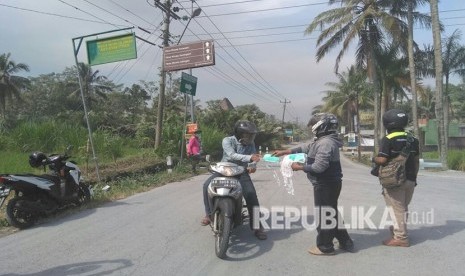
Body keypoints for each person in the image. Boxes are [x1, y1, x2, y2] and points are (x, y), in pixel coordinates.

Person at [273, 113, 354, 255]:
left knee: (324, 215)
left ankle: (325, 247)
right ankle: (345, 241)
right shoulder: (324, 140)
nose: (312, 129)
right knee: (331, 213)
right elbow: (307, 146)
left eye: (313, 127)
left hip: (325, 184)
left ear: (321, 127)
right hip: (330, 183)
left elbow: (318, 167)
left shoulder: (325, 143)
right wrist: (286, 151)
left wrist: (299, 167)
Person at [200, 120, 267, 240]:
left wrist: (253, 167)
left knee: (251, 194)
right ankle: (209, 214)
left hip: (241, 171)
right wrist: (250, 157)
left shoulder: (251, 144)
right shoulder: (227, 140)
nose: (250, 137)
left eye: (252, 135)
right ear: (239, 134)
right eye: (247, 134)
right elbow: (231, 155)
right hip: (224, 170)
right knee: (206, 186)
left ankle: (257, 226)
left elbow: (253, 160)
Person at [372, 109, 420, 247]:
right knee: (403, 207)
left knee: (396, 208)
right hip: (410, 179)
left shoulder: (388, 139)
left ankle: (401, 237)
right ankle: (399, 228)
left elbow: (382, 159)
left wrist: (374, 158)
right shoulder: (413, 139)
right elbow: (416, 160)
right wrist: (414, 178)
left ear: (387, 123)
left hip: (395, 180)